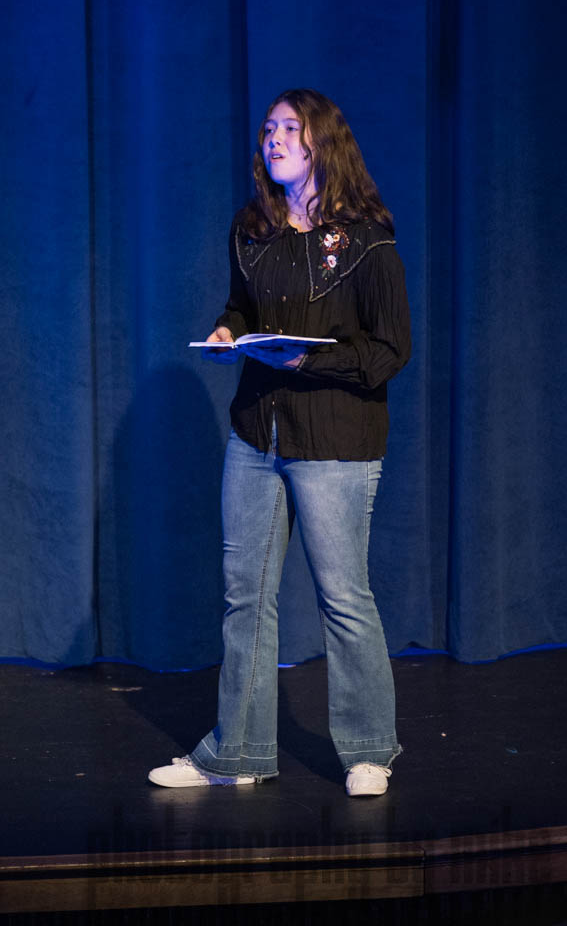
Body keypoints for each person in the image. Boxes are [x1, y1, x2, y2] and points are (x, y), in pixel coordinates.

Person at [149, 88, 411, 796]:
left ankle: (368, 750)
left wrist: (306, 361)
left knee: (342, 596)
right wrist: (229, 330)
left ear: (324, 142)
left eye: (290, 128)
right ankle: (236, 754)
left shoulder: (367, 240)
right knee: (246, 597)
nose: (274, 138)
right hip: (256, 434)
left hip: (334, 438)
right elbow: (242, 306)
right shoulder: (252, 229)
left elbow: (391, 349)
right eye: (268, 128)